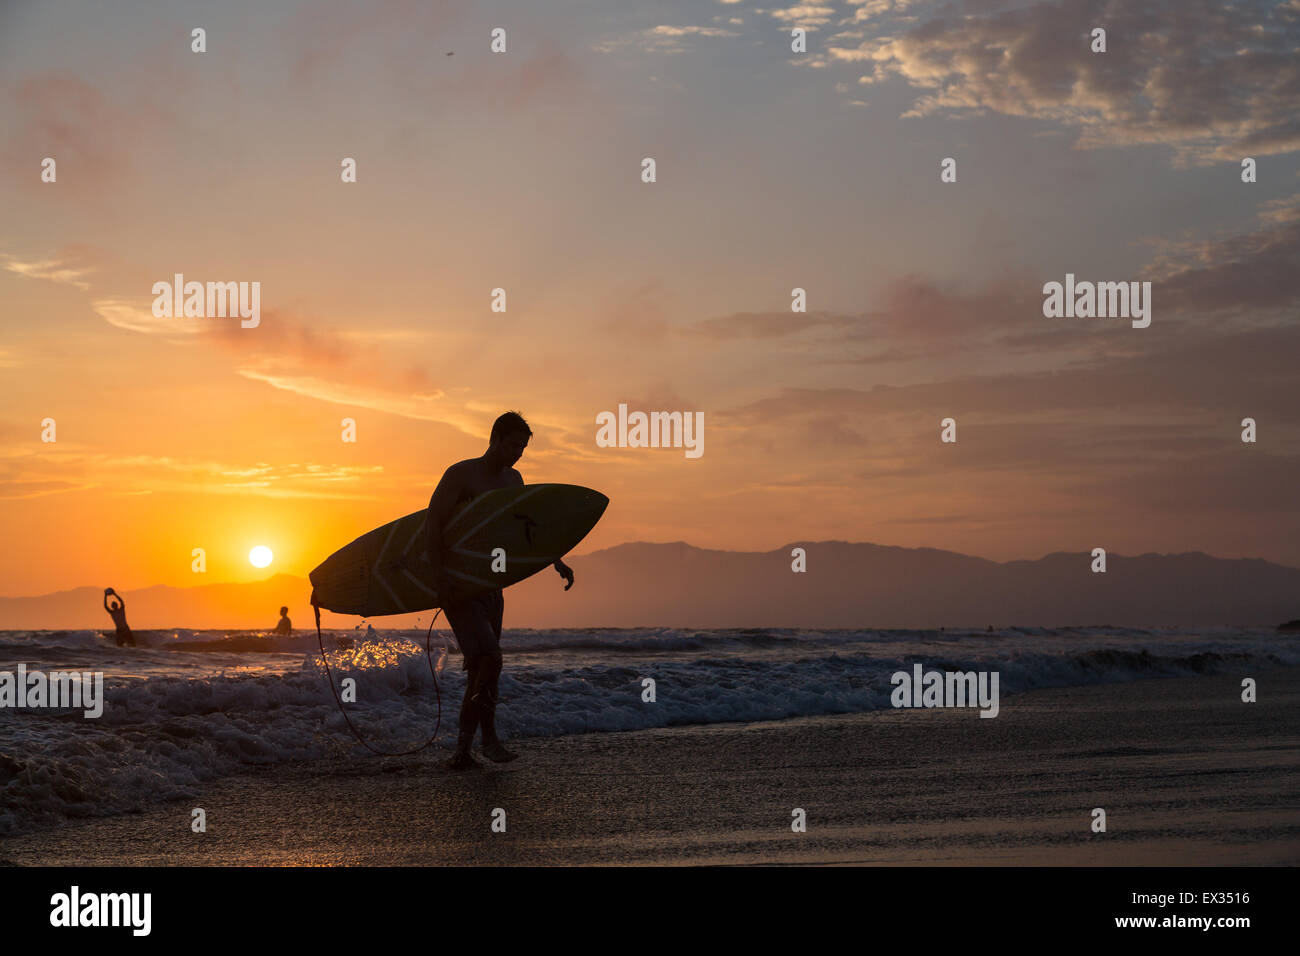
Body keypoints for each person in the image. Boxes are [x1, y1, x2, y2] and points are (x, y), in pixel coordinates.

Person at [426, 411, 574, 769]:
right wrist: (439, 580)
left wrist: (555, 559)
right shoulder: (460, 474)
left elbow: (522, 529)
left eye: (522, 447)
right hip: (459, 585)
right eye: (512, 445)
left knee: (483, 666)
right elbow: (433, 525)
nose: (518, 453)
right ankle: (487, 740)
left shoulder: (513, 480)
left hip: (493, 585)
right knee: (491, 658)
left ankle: (463, 752)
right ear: (494, 439)